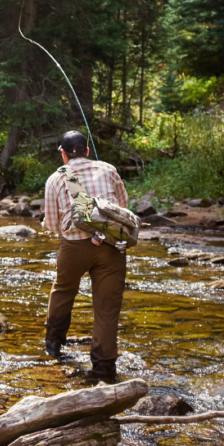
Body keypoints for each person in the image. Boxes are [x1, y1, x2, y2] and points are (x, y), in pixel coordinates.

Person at [42, 130, 129, 379]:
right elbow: (122, 207)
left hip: (74, 246)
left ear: (63, 154)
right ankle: (104, 368)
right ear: (87, 150)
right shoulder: (109, 169)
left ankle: (53, 347)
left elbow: (51, 225)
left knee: (63, 290)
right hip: (111, 246)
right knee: (106, 308)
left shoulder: (56, 178)